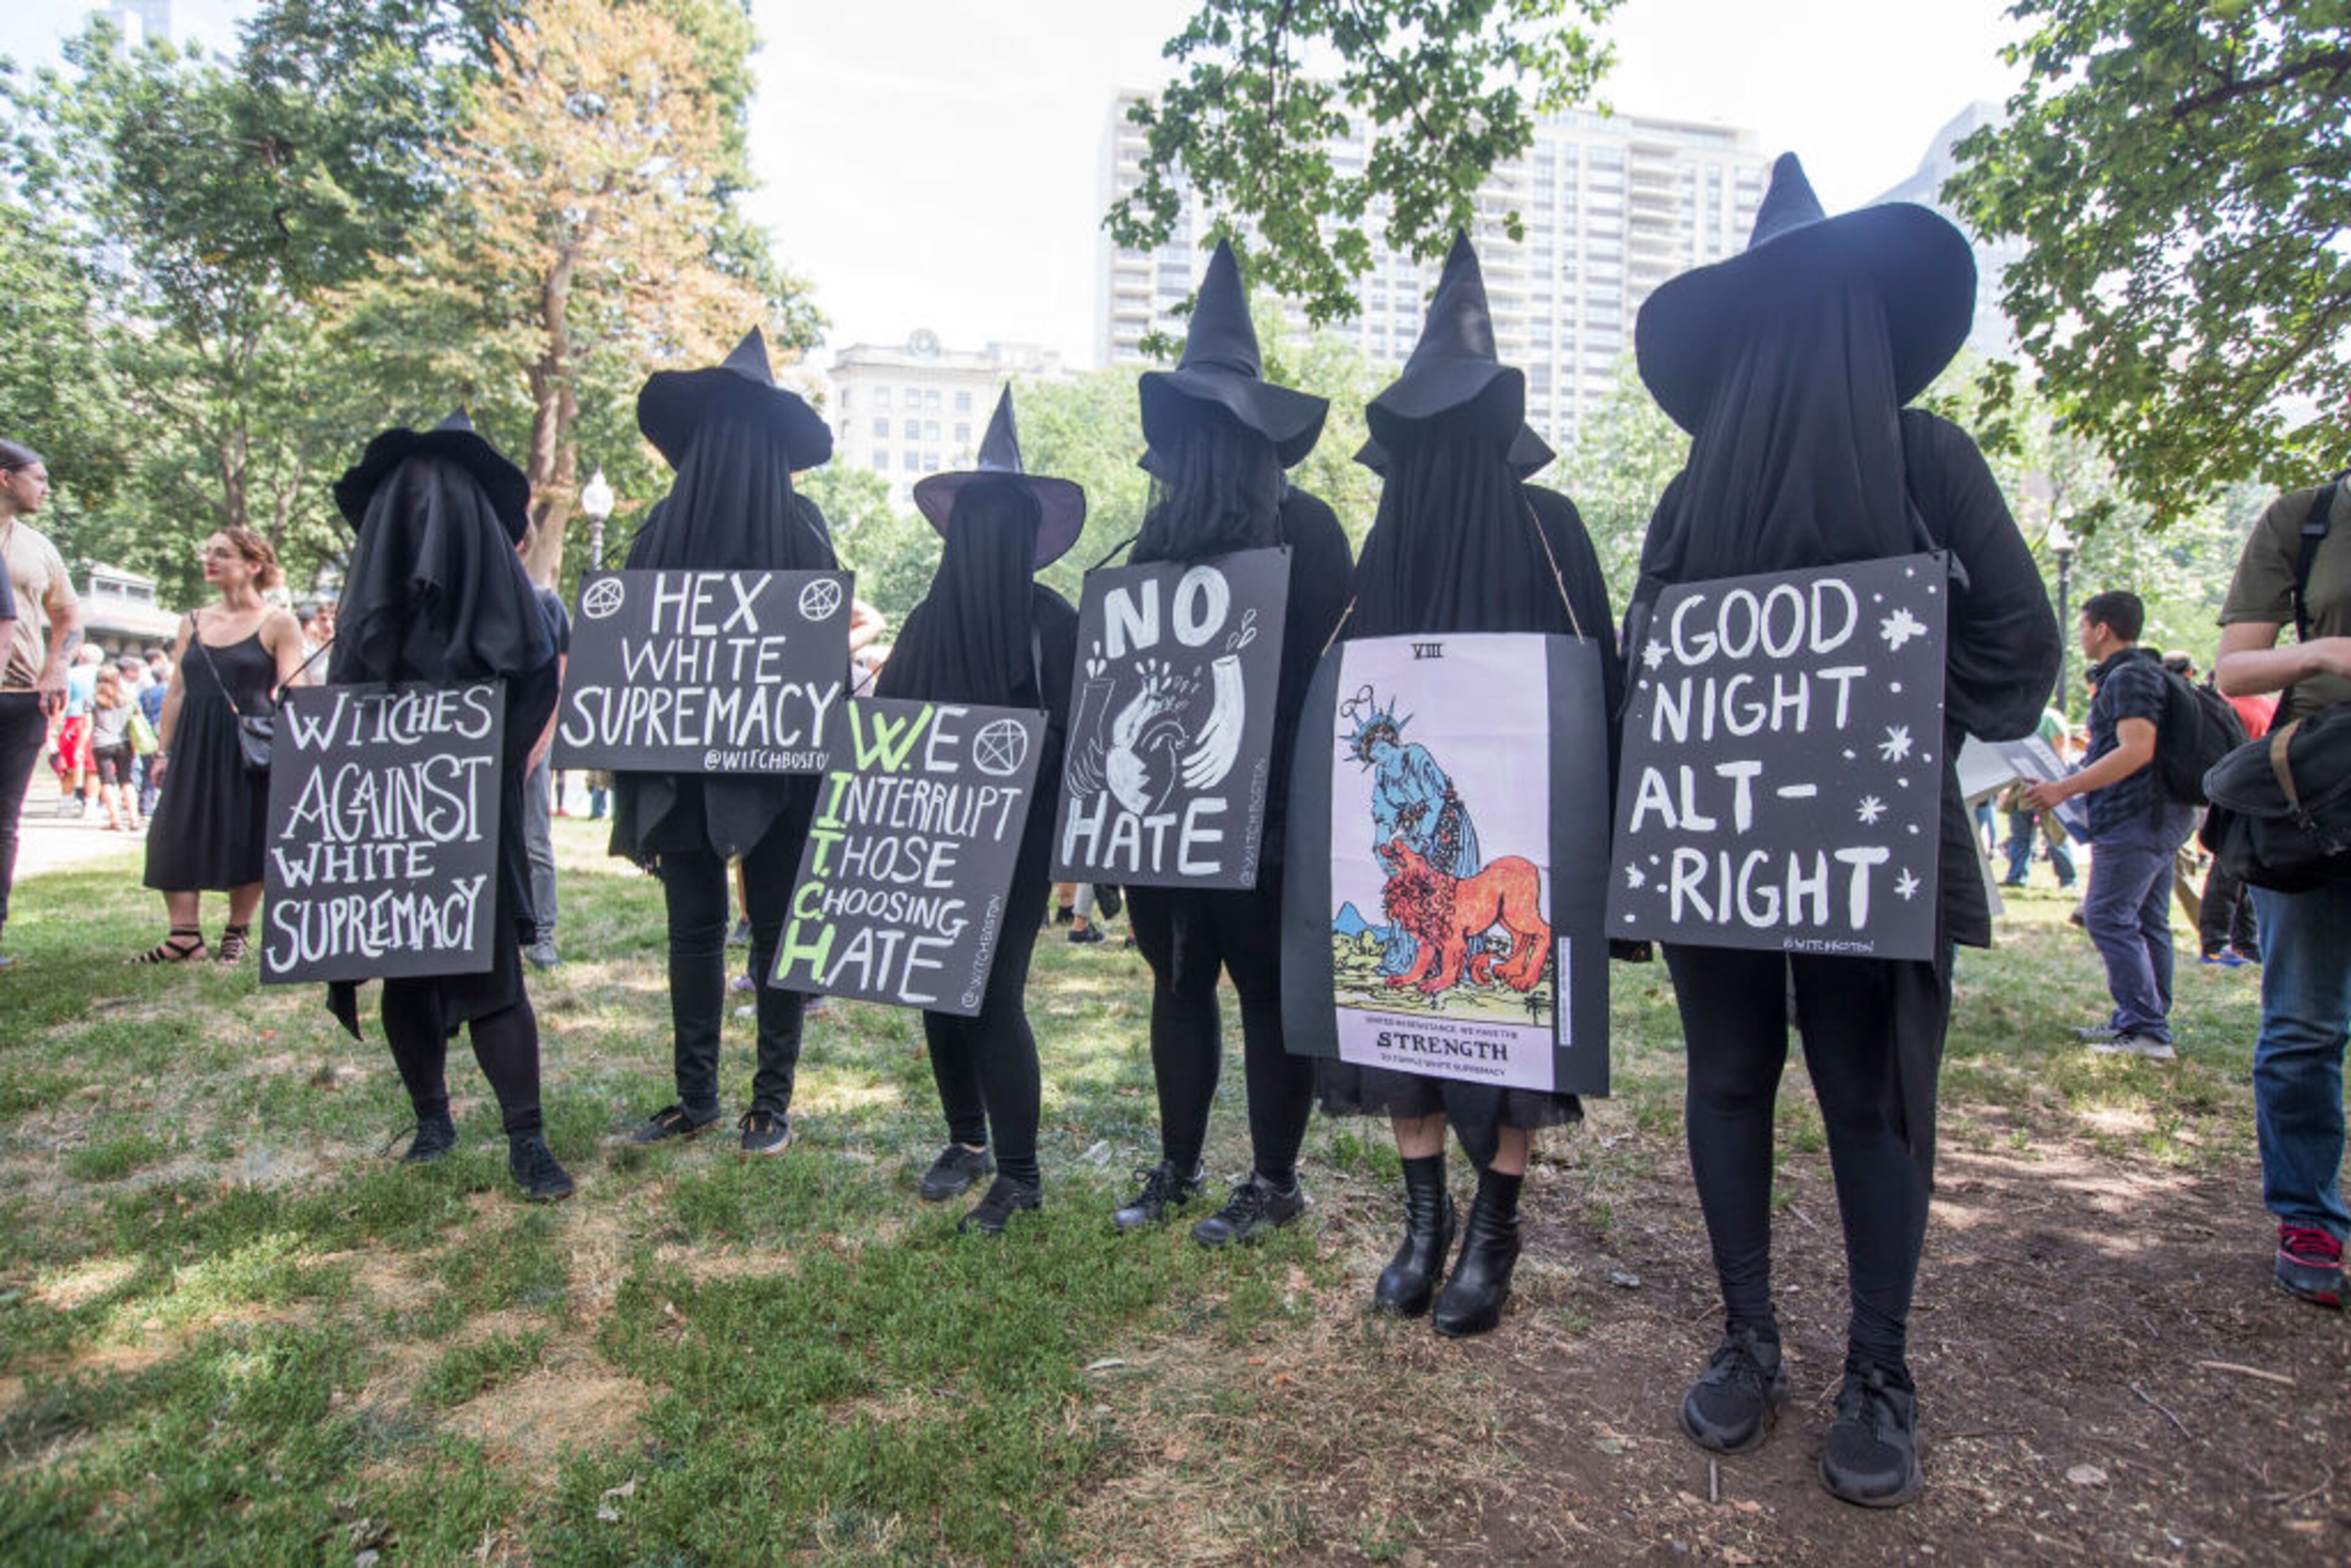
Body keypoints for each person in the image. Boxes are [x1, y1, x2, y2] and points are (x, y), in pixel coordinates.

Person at [1635, 156, 2059, 1506]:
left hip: (1872, 847)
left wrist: (1885, 717)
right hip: (1720, 844)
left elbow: (2019, 641)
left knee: (1857, 1093)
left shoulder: (1926, 456)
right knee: (1740, 1074)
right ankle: (1754, 1335)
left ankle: (1879, 1366)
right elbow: (1649, 670)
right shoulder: (1690, 499)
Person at [1314, 234, 1623, 1337]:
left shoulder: (1553, 532)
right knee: (1402, 1010)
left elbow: (1602, 675)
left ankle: (1497, 1226)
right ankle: (1424, 1221)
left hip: (1516, 824)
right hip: (1403, 843)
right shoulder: (1384, 540)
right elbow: (1341, 684)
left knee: (1515, 1022)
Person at [1106, 239, 1353, 1246]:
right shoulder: (1152, 543)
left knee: (1258, 988)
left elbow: (1334, 681)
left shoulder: (1315, 533)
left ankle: (1274, 1178)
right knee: (1177, 975)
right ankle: (1176, 1161)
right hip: (1166, 813)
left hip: (1271, 818)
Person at [328, 410, 572, 1201]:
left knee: (493, 970)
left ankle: (525, 1139)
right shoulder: (370, 615)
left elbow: (537, 684)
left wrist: (494, 773)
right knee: (406, 961)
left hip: (474, 813)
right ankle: (433, 1118)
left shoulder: (514, 612)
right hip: (396, 818)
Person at [613, 327, 836, 1156]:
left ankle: (735, 1097)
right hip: (717, 763)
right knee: (759, 930)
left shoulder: (664, 532)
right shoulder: (686, 531)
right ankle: (736, 1101)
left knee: (709, 929)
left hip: (757, 764)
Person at [880, 388, 1082, 1233]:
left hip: (1021, 843)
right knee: (936, 985)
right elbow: (884, 731)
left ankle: (1021, 1172)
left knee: (993, 995)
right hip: (936, 838)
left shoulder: (1055, 623)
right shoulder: (926, 622)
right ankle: (965, 1140)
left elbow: (1083, 741)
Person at [2213, 467, 2351, 1310]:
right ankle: (2308, 1217)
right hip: (2323, 797)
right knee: (2304, 1022)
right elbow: (2237, 670)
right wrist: (2324, 653)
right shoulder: (2310, 518)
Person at [2022, 590, 2200, 1059]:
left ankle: (2146, 1028)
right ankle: (2144, 1021)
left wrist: (2065, 789)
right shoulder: (2146, 673)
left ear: (2102, 629)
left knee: (2106, 914)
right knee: (2146, 918)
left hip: (2136, 815)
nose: (2079, 635)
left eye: (2082, 626)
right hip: (2161, 814)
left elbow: (2136, 748)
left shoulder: (2127, 677)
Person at [140, 528, 309, 963]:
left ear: (254, 565)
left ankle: (237, 930)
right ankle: (183, 936)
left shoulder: (278, 622)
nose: (209, 559)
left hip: (248, 743)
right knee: (171, 832)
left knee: (246, 832)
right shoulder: (192, 620)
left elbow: (296, 688)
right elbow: (176, 690)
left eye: (222, 553)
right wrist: (163, 751)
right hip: (194, 738)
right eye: (207, 551)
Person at [0, 439, 83, 970]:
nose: (47, 489)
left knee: (4, 819)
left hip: (22, 700)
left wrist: (57, 667)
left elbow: (69, 617)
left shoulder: (37, 547)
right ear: (6, 478)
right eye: (39, 478)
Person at [518, 522, 569, 970]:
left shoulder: (544, 603)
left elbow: (561, 677)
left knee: (535, 839)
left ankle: (542, 936)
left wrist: (538, 744)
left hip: (533, 738)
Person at [1998, 707, 2077, 890]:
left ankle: (2068, 880)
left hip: (2049, 785)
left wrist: (2058, 785)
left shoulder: (2051, 719)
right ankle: (2016, 877)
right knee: (2020, 836)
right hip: (2021, 786)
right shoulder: (2018, 716)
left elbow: (2062, 754)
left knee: (2055, 837)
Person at [86, 664, 139, 831]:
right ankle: (134, 819)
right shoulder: (129, 699)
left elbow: (87, 726)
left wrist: (81, 748)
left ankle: (115, 820)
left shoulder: (92, 700)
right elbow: (137, 720)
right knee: (127, 780)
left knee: (107, 781)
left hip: (101, 743)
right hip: (124, 742)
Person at [58, 644, 103, 816]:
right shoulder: (105, 673)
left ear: (82, 657)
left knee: (69, 765)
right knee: (93, 768)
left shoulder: (71, 674)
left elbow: (64, 699)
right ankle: (91, 806)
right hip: (99, 721)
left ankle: (65, 804)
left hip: (74, 720)